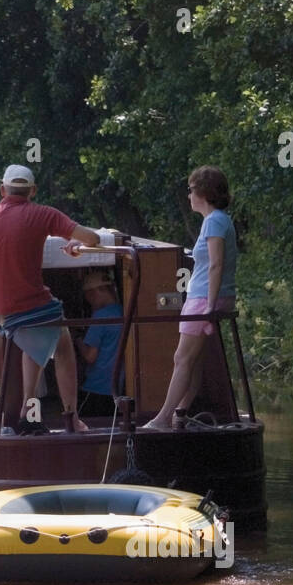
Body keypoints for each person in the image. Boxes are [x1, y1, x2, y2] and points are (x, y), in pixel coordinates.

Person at [0, 164, 101, 434]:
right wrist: (76, 247)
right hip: (30, 306)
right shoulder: (43, 214)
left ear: (2, 190)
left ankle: (27, 412)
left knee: (35, 334)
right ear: (32, 191)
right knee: (63, 342)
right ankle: (70, 417)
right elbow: (92, 237)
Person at [144, 165, 238, 429]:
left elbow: (216, 264)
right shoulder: (218, 220)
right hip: (207, 298)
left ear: (203, 193)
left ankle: (163, 418)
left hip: (202, 299)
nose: (188, 196)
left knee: (181, 359)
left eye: (191, 190)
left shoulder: (214, 220)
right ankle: (180, 415)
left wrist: (208, 304)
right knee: (192, 361)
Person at [76, 271, 124, 416]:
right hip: (117, 388)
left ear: (95, 292)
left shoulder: (100, 317)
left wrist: (77, 338)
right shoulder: (123, 312)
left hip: (95, 387)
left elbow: (90, 356)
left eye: (89, 295)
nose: (89, 300)